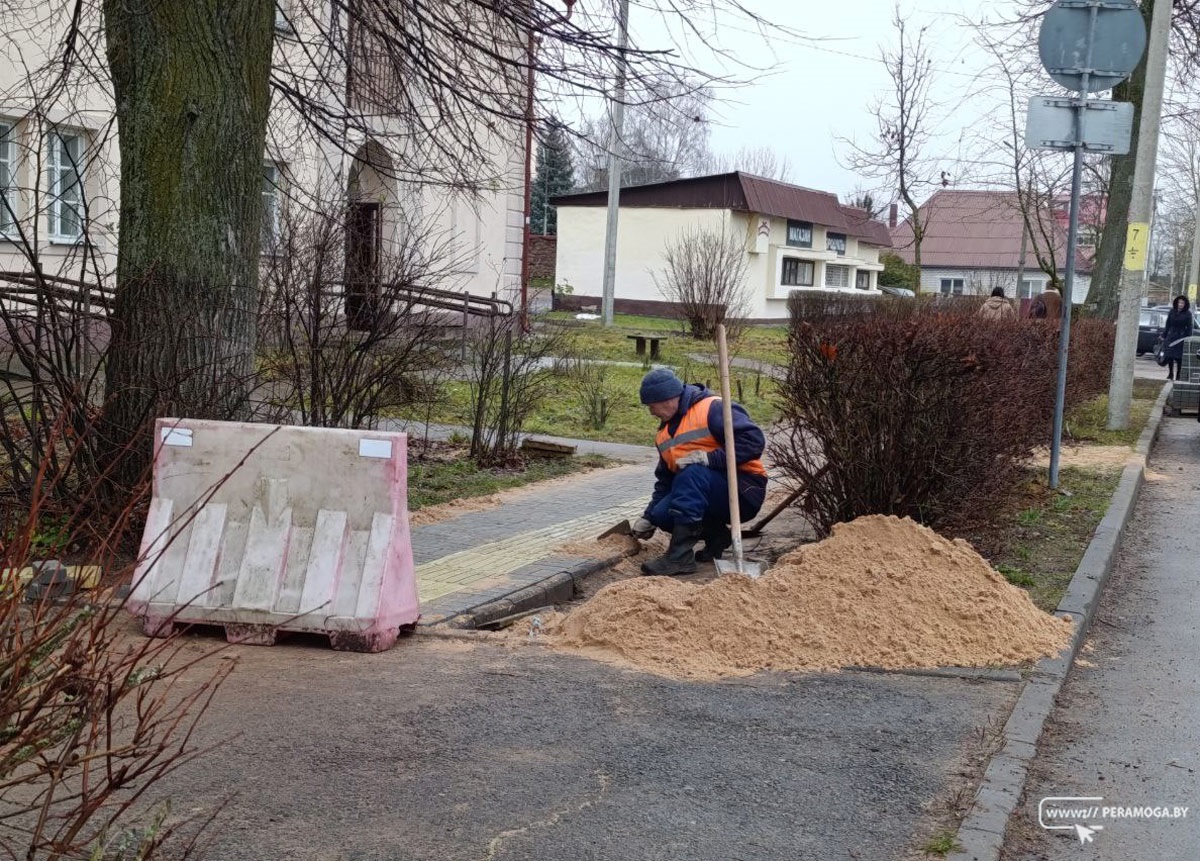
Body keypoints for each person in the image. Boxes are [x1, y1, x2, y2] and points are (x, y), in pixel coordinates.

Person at [630, 368, 768, 576]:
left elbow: (754, 441)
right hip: (707, 493)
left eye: (651, 405)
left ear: (667, 398)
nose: (651, 412)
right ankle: (717, 536)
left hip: (744, 490)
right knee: (662, 514)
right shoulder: (663, 436)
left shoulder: (712, 408)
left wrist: (710, 458)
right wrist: (649, 516)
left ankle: (679, 558)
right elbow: (665, 481)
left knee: (693, 472)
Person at [1160, 294, 1193, 382]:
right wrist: (1164, 335)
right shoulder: (1172, 311)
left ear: (1185, 304)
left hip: (1181, 337)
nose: (1180, 304)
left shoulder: (1188, 314)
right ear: (1176, 303)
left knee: (1179, 358)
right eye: (1179, 303)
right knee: (1170, 356)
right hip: (1171, 336)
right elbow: (1168, 324)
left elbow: (1190, 327)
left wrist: (1188, 337)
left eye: (1182, 303)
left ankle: (1178, 375)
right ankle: (1170, 373)